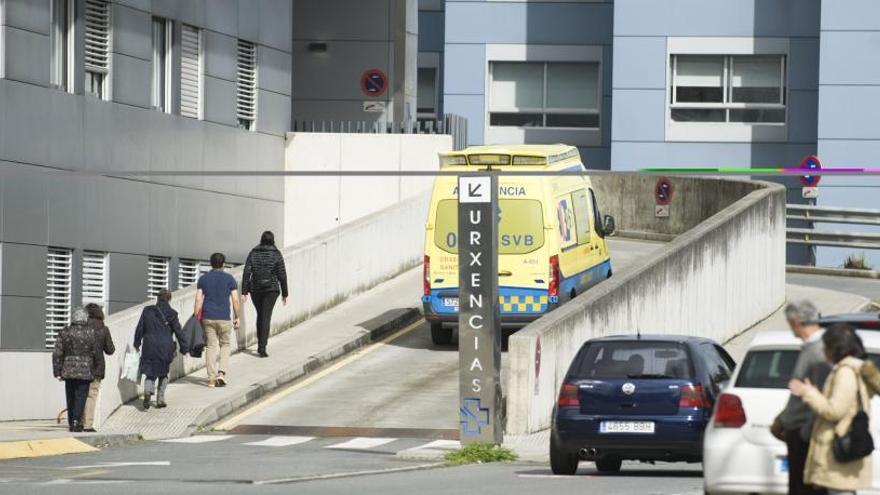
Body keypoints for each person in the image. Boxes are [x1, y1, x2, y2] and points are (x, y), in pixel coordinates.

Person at [790, 324, 872, 494]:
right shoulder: (853, 368)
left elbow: (835, 410)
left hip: (838, 455)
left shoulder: (846, 372)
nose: (824, 352)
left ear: (836, 348)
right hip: (837, 454)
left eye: (826, 347)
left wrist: (809, 393)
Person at [771, 300, 832, 495]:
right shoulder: (810, 348)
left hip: (806, 435)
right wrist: (783, 420)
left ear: (796, 321)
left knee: (805, 489)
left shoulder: (818, 351)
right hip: (797, 432)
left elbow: (819, 395)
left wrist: (804, 432)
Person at [134, 289, 187, 409]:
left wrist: (137, 343)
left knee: (150, 371)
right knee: (163, 372)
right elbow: (179, 331)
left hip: (149, 345)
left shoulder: (147, 311)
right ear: (169, 299)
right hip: (165, 346)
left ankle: (148, 391)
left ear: (157, 298)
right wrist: (184, 348)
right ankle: (160, 399)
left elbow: (140, 328)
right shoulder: (172, 313)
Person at [195, 252, 241, 387]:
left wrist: (196, 317)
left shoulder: (203, 279)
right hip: (224, 317)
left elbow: (198, 299)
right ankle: (221, 374)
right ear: (223, 264)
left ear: (211, 263)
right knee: (225, 345)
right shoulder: (230, 279)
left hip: (207, 317)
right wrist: (237, 316)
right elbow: (235, 300)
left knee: (210, 346)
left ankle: (210, 379)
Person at [241, 231, 288, 358]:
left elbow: (246, 272)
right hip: (271, 289)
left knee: (260, 315)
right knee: (266, 316)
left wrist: (244, 291)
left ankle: (260, 345)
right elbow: (282, 274)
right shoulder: (276, 254)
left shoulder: (253, 253)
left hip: (255, 288)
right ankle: (262, 348)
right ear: (272, 240)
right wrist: (285, 293)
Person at [52, 307, 99, 432]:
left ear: (73, 318)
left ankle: (71, 421)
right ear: (85, 318)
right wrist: (95, 368)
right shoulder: (91, 332)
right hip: (85, 370)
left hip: (68, 369)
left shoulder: (64, 332)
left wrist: (57, 371)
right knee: (81, 396)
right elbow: (96, 352)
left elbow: (57, 353)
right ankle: (76, 421)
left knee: (70, 395)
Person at [82, 303, 115, 432]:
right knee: (91, 395)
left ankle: (77, 422)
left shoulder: (82, 327)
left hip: (81, 366)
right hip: (96, 367)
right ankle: (88, 424)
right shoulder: (104, 329)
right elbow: (110, 350)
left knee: (80, 394)